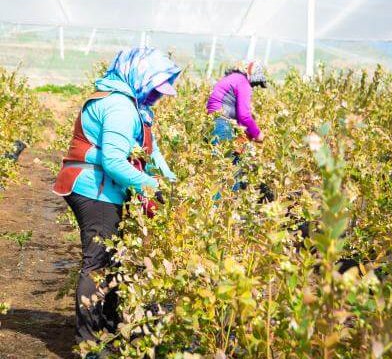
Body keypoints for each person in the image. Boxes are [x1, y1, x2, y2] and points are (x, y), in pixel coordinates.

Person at [53, 47, 181, 357]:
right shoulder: (120, 107)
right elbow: (112, 160)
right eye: (154, 89)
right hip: (93, 190)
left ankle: (107, 328)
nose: (157, 96)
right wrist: (153, 186)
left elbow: (151, 152)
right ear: (139, 77)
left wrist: (172, 180)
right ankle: (88, 343)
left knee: (113, 259)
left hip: (103, 189)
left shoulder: (132, 105)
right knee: (97, 262)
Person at [206, 61, 266, 146]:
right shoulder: (243, 82)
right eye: (255, 83)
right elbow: (244, 116)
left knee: (214, 156)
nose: (253, 86)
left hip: (211, 120)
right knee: (227, 157)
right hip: (222, 122)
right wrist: (257, 134)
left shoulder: (233, 77)